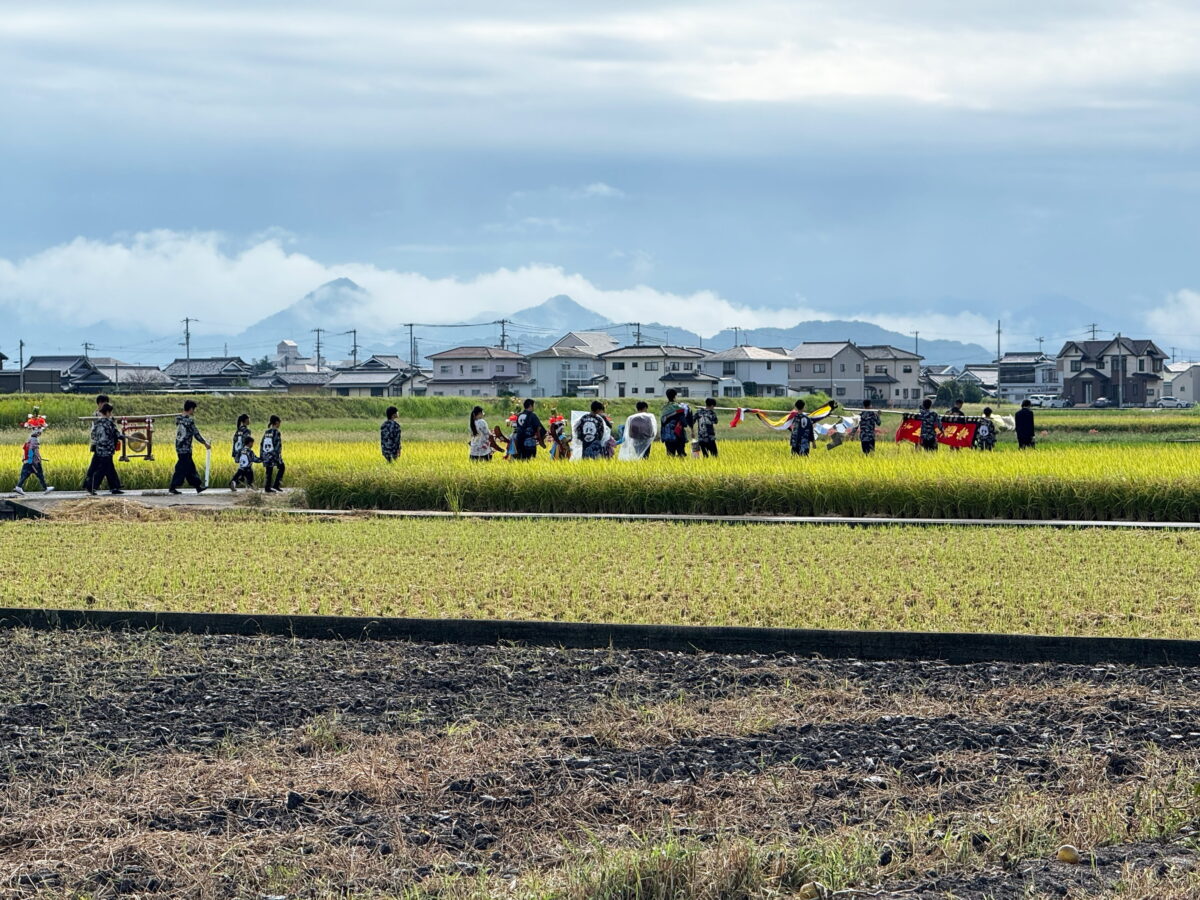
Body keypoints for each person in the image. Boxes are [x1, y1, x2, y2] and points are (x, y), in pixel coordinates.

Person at [168, 399, 211, 494]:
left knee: (189, 467)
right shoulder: (189, 421)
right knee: (182, 468)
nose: (194, 411)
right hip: (185, 448)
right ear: (191, 409)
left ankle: (197, 486)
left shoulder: (179, 419)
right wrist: (205, 443)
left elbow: (179, 419)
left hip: (179, 446)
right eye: (193, 409)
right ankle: (173, 486)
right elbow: (196, 434)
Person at [87, 403, 124, 495]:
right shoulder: (107, 423)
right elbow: (113, 434)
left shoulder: (98, 423)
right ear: (107, 412)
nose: (111, 414)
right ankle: (91, 486)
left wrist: (118, 436)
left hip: (100, 449)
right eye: (110, 412)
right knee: (102, 469)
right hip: (106, 450)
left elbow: (94, 435)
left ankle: (115, 487)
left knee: (110, 468)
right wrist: (119, 436)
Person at [81, 393, 111, 490]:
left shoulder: (108, 415)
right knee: (103, 465)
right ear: (98, 404)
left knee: (103, 464)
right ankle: (91, 484)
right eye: (102, 402)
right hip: (99, 444)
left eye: (106, 402)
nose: (104, 404)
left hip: (106, 445)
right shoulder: (97, 415)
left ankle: (114, 485)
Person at [13, 427, 53, 495]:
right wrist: (34, 460)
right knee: (39, 474)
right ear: (37, 433)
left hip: (28, 461)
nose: (40, 434)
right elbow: (32, 450)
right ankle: (46, 488)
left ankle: (18, 487)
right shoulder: (35, 440)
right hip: (33, 461)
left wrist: (26, 459)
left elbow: (25, 450)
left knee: (25, 475)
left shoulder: (28, 440)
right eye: (40, 433)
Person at [660, 389, 693, 457]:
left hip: (667, 435)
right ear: (675, 396)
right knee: (681, 454)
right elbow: (684, 422)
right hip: (678, 434)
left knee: (670, 455)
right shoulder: (680, 407)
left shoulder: (664, 408)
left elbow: (662, 422)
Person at [261, 415, 285, 492]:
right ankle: (276, 485)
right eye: (279, 423)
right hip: (273, 454)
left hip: (266, 454)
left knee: (269, 471)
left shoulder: (267, 432)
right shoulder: (276, 432)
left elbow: (262, 443)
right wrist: (277, 456)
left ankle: (267, 488)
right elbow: (277, 445)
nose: (280, 425)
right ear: (277, 422)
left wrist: (262, 454)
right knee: (282, 467)